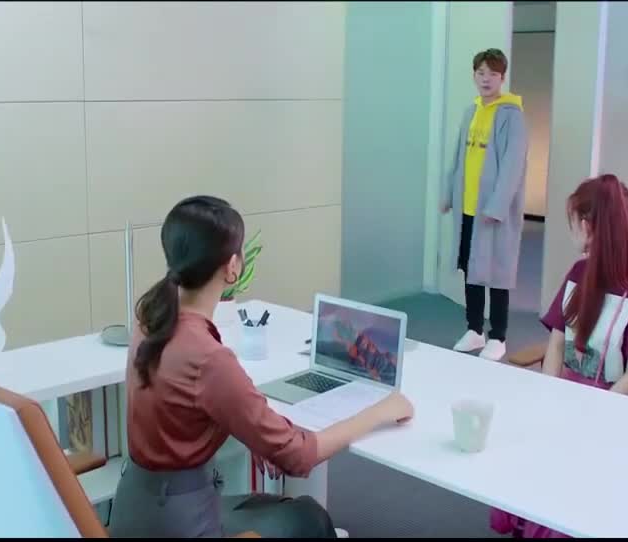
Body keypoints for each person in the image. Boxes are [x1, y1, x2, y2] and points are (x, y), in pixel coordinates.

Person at [109, 195, 415, 538]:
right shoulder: (209, 358)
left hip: (136, 510)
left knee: (279, 510)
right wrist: (379, 411)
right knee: (308, 517)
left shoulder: (150, 319)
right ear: (232, 267)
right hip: (179, 524)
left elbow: (181, 406)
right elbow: (298, 456)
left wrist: (253, 433)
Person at [488, 175, 628, 538]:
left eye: (572, 222)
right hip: (568, 398)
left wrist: (589, 414)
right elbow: (557, 344)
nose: (571, 231)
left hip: (617, 407)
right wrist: (549, 396)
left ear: (587, 227)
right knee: (520, 447)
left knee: (575, 479)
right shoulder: (579, 272)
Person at [441, 48, 529, 362]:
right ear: (474, 75)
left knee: (497, 271)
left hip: (494, 211)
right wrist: (448, 194)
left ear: (502, 77)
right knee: (471, 269)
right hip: (469, 206)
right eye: (480, 73)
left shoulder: (512, 116)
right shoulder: (472, 111)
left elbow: (513, 165)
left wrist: (497, 206)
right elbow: (458, 156)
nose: (486, 79)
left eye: (492, 73)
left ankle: (498, 336)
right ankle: (474, 328)